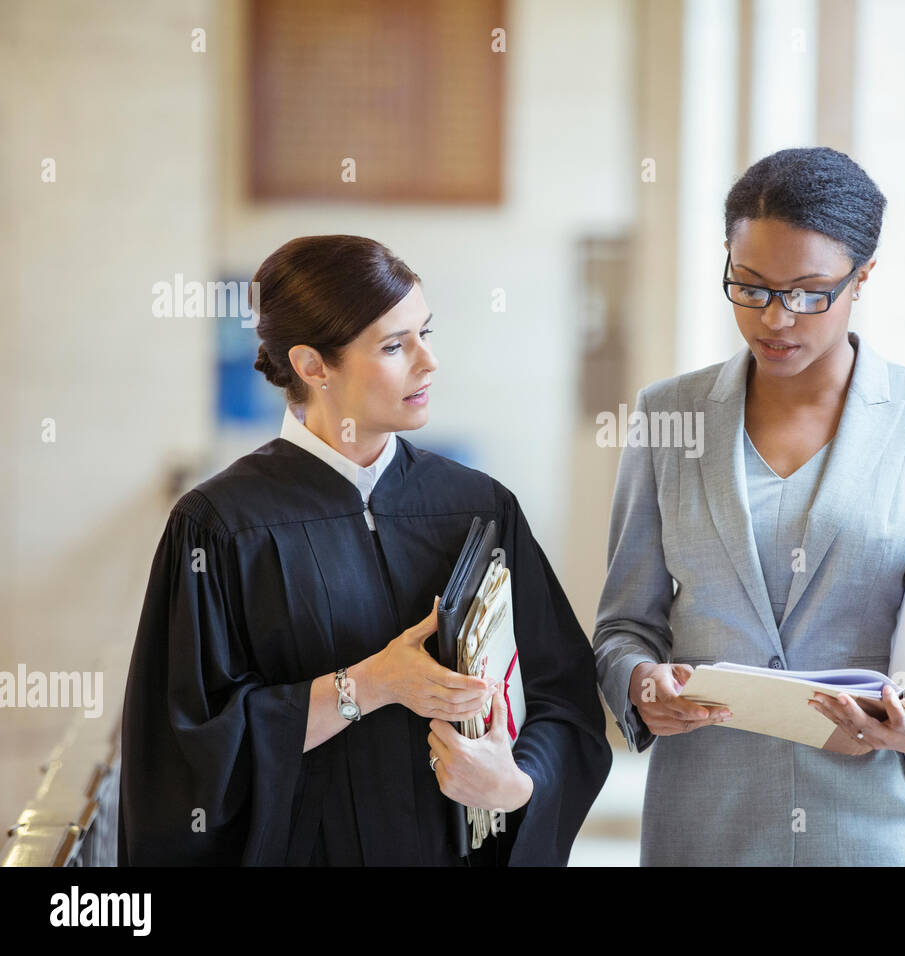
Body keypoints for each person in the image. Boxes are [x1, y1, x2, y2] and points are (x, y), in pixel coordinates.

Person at [118, 235, 611, 865]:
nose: (428, 363)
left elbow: (562, 699)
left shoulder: (479, 509)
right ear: (311, 365)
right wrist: (367, 685)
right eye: (394, 346)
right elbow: (182, 752)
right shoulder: (220, 526)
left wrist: (517, 784)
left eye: (426, 333)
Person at [592, 147, 905, 865]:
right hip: (707, 822)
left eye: (810, 293)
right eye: (750, 287)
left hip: (875, 823)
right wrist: (637, 683)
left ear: (862, 277)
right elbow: (625, 624)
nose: (776, 319)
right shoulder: (667, 416)